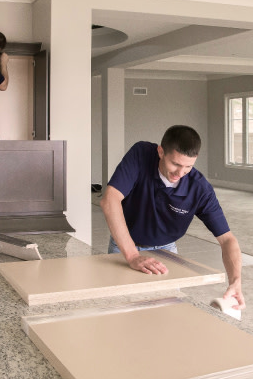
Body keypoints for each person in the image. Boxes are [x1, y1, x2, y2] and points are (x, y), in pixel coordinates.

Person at [100, 125, 245, 310]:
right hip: (125, 246)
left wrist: (236, 280)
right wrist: (133, 256)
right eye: (175, 164)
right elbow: (109, 200)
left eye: (188, 167)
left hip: (165, 250)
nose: (180, 173)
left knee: (167, 311)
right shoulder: (141, 154)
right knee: (118, 309)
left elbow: (227, 240)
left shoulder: (200, 189)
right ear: (160, 151)